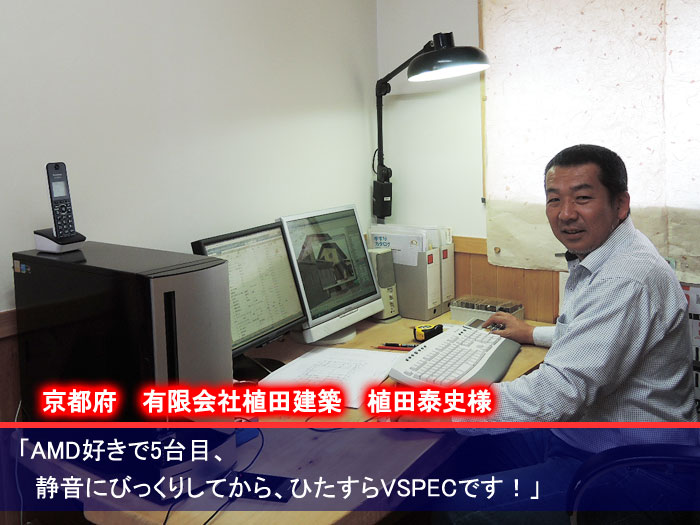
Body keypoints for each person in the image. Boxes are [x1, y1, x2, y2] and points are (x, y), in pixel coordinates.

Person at [406, 145, 698, 522]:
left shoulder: (628, 277)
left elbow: (557, 394)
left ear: (620, 204)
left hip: (632, 467)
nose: (566, 214)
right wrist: (532, 334)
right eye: (554, 199)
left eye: (583, 198)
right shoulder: (610, 253)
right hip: (584, 437)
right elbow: (597, 339)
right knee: (460, 455)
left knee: (459, 506)